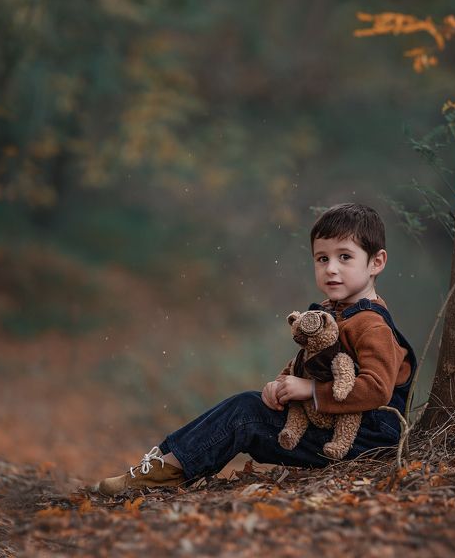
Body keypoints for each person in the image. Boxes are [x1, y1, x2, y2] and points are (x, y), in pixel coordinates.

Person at [96, 202, 417, 495]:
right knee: (248, 405)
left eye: (345, 257)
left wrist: (310, 390)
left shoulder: (371, 324)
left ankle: (164, 474)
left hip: (364, 440)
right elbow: (307, 364)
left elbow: (377, 389)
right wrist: (282, 386)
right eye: (323, 258)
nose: (331, 268)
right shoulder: (329, 314)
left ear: (376, 262)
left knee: (244, 414)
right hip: (327, 426)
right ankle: (160, 463)